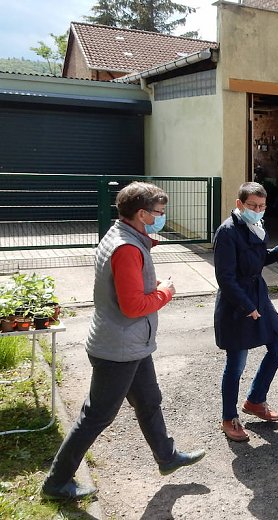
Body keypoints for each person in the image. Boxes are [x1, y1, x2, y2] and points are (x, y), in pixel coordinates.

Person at [42, 182, 204, 500]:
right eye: (159, 212)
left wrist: (149, 282)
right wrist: (165, 291)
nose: (163, 217)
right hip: (118, 348)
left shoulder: (122, 235)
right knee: (97, 415)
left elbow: (125, 285)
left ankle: (167, 457)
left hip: (130, 344)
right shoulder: (126, 248)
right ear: (141, 214)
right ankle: (56, 482)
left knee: (149, 400)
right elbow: (132, 306)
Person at [214, 182, 278, 442]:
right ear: (240, 205)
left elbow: (256, 261)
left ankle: (255, 400)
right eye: (252, 206)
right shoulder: (227, 232)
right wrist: (247, 307)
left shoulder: (256, 227)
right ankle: (229, 417)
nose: (258, 210)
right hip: (236, 303)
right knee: (236, 363)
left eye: (261, 206)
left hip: (258, 295)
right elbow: (225, 278)